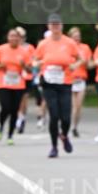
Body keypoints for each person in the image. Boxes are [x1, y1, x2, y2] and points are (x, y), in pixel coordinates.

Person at [32, 14, 82, 157]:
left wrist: (74, 66)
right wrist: (38, 64)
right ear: (48, 26)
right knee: (54, 115)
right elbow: (34, 61)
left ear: (62, 26)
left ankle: (64, 136)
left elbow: (80, 59)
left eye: (57, 24)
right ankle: (54, 147)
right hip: (48, 83)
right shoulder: (43, 44)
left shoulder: (69, 43)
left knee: (65, 117)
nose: (55, 27)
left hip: (65, 82)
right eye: (52, 24)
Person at [0, 29, 32, 143]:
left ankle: (10, 135)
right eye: (11, 36)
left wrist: (24, 65)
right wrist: (0, 65)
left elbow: (30, 70)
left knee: (15, 110)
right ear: (8, 37)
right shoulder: (0, 49)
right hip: (2, 82)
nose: (14, 38)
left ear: (19, 38)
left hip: (18, 83)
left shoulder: (24, 52)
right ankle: (0, 126)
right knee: (6, 107)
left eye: (16, 36)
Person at [67, 27, 93, 136]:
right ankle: (70, 125)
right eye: (74, 37)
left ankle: (75, 126)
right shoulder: (67, 48)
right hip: (69, 79)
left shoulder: (85, 48)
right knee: (73, 106)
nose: (77, 39)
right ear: (70, 37)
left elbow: (90, 65)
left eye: (78, 36)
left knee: (78, 106)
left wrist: (87, 62)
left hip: (81, 79)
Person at [14, 27, 37, 134]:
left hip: (26, 76)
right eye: (18, 36)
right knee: (15, 100)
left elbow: (33, 61)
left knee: (24, 99)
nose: (20, 38)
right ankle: (18, 117)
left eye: (21, 36)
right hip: (14, 77)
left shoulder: (29, 47)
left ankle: (21, 118)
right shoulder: (12, 47)